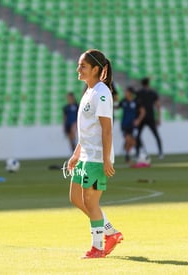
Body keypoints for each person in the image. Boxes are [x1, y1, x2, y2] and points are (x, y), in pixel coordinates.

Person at [67, 49, 123, 259]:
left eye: (83, 66)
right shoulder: (88, 92)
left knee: (90, 201)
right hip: (85, 155)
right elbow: (87, 129)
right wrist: (76, 153)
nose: (78, 69)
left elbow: (106, 129)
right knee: (75, 198)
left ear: (96, 69)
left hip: (97, 157)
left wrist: (106, 158)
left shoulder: (101, 92)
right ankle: (111, 232)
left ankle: (98, 247)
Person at [135, 77, 163, 159]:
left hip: (141, 117)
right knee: (156, 135)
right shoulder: (153, 93)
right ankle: (160, 153)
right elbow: (158, 105)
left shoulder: (139, 93)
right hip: (150, 116)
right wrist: (159, 117)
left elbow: (136, 105)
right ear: (148, 83)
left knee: (138, 136)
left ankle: (137, 154)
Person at [118, 87, 145, 163]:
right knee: (128, 139)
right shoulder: (123, 101)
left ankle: (131, 154)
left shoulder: (136, 102)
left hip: (133, 125)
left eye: (126, 92)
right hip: (124, 125)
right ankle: (130, 155)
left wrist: (138, 120)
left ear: (130, 93)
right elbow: (116, 107)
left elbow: (143, 112)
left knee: (133, 141)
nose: (125, 93)